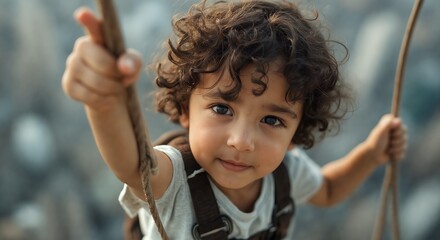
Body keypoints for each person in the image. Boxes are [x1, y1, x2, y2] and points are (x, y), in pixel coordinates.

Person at [62, 0, 408, 239]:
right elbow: (132, 164)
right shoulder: (174, 182)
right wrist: (103, 101)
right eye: (223, 109)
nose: (242, 141)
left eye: (272, 120)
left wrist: (371, 154)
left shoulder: (286, 174)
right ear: (184, 109)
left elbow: (329, 189)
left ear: (295, 132)